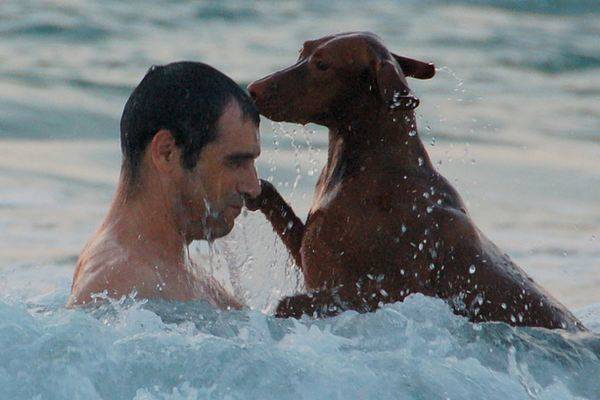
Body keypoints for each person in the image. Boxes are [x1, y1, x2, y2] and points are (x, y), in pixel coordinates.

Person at [67, 62, 261, 309]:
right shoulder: (119, 283)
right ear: (167, 152)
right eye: (236, 162)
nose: (254, 188)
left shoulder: (176, 276)